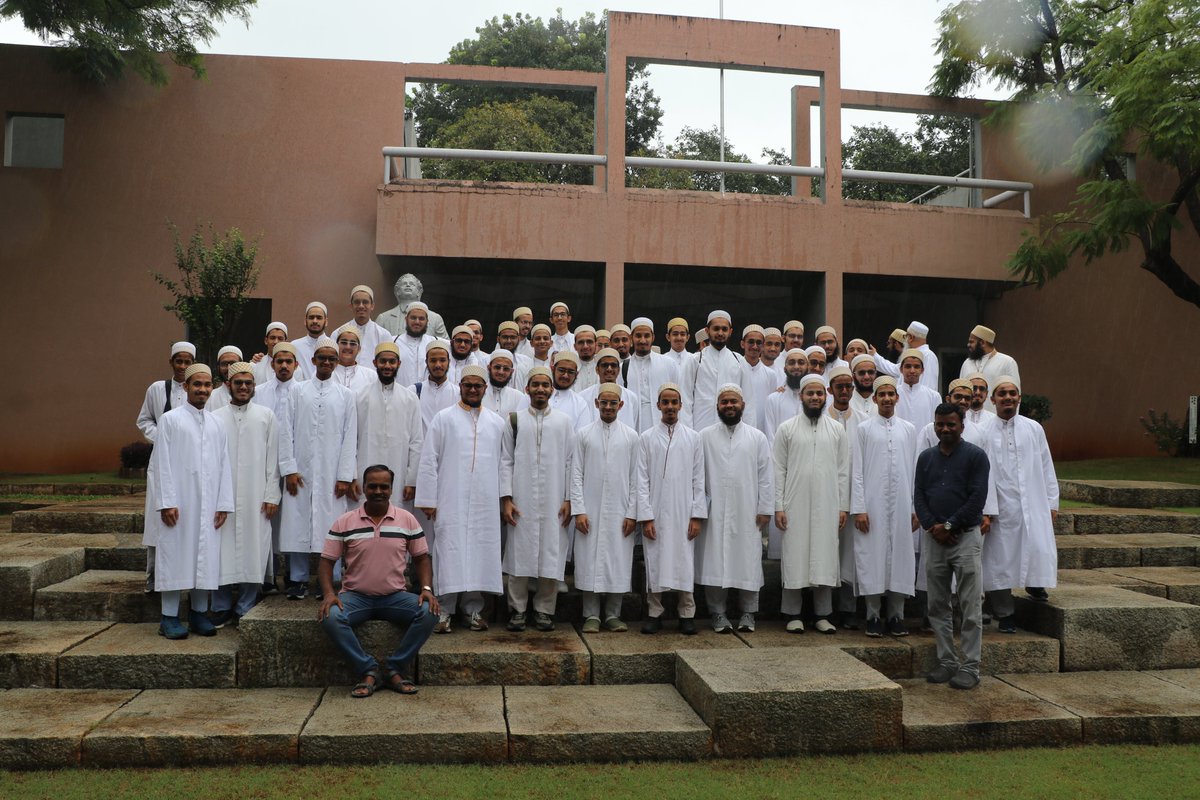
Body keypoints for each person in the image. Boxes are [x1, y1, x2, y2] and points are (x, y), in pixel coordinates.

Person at [317, 465, 438, 697]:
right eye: (372, 486)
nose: (378, 491)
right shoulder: (345, 522)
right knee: (330, 616)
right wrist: (329, 594)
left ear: (391, 489)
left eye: (384, 486)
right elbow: (326, 562)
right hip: (355, 598)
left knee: (429, 611)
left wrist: (426, 589)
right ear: (364, 488)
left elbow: (422, 558)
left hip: (395, 597)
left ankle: (395, 668)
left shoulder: (407, 520)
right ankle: (368, 670)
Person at [145, 363, 234, 639]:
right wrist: (166, 502)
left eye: (207, 385)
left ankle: (199, 614)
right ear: (186, 387)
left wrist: (224, 504)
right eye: (197, 384)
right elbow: (161, 463)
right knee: (175, 556)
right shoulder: (170, 420)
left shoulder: (217, 423)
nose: (202, 390)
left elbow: (224, 464)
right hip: (179, 504)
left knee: (204, 557)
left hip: (209, 505)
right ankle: (169, 617)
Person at [416, 365, 505, 633]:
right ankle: (443, 610)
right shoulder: (443, 419)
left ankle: (473, 609)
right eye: (468, 385)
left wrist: (504, 499)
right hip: (449, 497)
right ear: (461, 387)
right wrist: (429, 499)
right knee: (449, 550)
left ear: (485, 388)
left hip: (485, 502)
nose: (473, 390)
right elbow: (429, 459)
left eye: (478, 386)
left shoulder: (497, 423)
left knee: (480, 551)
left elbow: (505, 464)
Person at [914, 403, 991, 690]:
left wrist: (949, 526)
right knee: (937, 604)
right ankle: (946, 661)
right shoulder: (926, 458)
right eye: (940, 424)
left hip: (965, 537)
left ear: (962, 426)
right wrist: (933, 526)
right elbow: (919, 495)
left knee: (969, 605)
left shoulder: (976, 456)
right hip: (934, 539)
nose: (945, 429)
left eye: (951, 424)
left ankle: (971, 667)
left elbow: (977, 497)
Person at [278, 337, 358, 599]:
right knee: (297, 522)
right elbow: (285, 431)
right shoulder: (297, 391)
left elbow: (350, 437)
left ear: (337, 362)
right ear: (313, 360)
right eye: (321, 358)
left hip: (331, 472)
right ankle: (298, 579)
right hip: (300, 471)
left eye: (331, 359)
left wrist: (345, 476)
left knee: (332, 525)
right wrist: (289, 469)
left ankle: (332, 580)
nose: (326, 362)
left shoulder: (346, 395)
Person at [500, 367, 577, 632]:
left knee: (551, 553)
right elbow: (506, 461)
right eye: (536, 385)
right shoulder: (514, 420)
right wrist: (506, 499)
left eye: (545, 385)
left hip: (555, 499)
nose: (541, 389)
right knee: (518, 553)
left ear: (551, 389)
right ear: (527, 389)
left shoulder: (564, 422)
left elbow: (570, 462)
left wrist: (569, 499)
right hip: (521, 499)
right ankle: (518, 610)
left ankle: (544, 610)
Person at [773, 374, 849, 634]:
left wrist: (843, 507)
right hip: (794, 503)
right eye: (810, 393)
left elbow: (843, 471)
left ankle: (822, 614)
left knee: (824, 556)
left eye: (819, 393)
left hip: (828, 503)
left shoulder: (837, 430)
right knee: (795, 556)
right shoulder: (786, 429)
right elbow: (778, 469)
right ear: (801, 396)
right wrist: (779, 506)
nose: (815, 398)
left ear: (825, 395)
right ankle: (792, 613)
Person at [982, 376, 1059, 633]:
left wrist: (1052, 501)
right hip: (999, 507)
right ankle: (1005, 613)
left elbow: (1046, 465)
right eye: (1002, 393)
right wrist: (986, 509)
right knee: (999, 559)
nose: (1008, 397)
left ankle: (1035, 583)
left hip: (1032, 503)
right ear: (993, 400)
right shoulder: (984, 431)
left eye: (1012, 393)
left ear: (1019, 398)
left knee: (1036, 547)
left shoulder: (1033, 428)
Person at [698, 385, 772, 633]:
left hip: (748, 510)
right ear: (717, 406)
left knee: (748, 560)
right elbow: (697, 477)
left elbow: (766, 477)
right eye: (724, 402)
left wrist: (765, 508)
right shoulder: (704, 436)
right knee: (714, 560)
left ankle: (748, 613)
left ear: (743, 405)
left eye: (734, 401)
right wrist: (699, 509)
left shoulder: (757, 437)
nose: (729, 405)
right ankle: (717, 613)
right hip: (714, 511)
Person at [211, 362, 280, 626]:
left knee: (254, 547)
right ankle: (220, 606)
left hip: (256, 495)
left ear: (254, 386)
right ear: (229, 385)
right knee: (221, 550)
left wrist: (272, 495)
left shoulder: (266, 416)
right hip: (223, 496)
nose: (243, 387)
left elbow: (273, 460)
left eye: (248, 383)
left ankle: (245, 604)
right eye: (238, 383)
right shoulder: (215, 417)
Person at [636, 383, 706, 634]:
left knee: (684, 562)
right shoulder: (645, 438)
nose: (670, 407)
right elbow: (641, 480)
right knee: (655, 561)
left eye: (674, 402)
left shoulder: (694, 438)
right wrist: (646, 517)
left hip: (683, 512)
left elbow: (699, 479)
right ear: (658, 405)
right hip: (655, 512)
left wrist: (696, 516)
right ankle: (654, 613)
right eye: (665, 402)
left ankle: (687, 613)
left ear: (681, 405)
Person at [851, 376, 918, 638]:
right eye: (883, 394)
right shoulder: (864, 429)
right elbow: (857, 471)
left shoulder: (908, 429)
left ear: (897, 398)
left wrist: (914, 508)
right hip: (872, 505)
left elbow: (914, 470)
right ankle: (873, 615)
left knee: (901, 557)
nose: (887, 398)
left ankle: (896, 616)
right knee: (872, 557)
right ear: (875, 398)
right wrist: (859, 508)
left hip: (902, 505)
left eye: (891, 394)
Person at [570, 383, 640, 633]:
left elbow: (636, 478)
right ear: (596, 403)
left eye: (613, 403)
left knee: (617, 561)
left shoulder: (631, 437)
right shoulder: (583, 435)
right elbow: (575, 474)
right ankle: (591, 614)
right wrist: (579, 510)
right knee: (589, 560)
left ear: (621, 405)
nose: (608, 407)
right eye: (604, 402)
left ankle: (613, 614)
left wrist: (632, 513)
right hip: (589, 510)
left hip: (621, 512)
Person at [355, 342, 423, 514]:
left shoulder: (410, 398)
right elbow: (352, 440)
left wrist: (412, 481)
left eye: (392, 362)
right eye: (383, 361)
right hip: (364, 470)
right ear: (375, 363)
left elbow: (416, 441)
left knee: (397, 517)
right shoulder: (360, 396)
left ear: (398, 364)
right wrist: (352, 476)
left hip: (400, 474)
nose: (387, 366)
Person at [680, 310, 745, 431]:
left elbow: (747, 401)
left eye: (724, 329)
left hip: (732, 429)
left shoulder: (739, 361)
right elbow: (685, 399)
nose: (720, 333)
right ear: (707, 331)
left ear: (730, 332)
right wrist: (688, 432)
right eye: (716, 329)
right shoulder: (695, 360)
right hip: (700, 428)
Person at [622, 317, 680, 433]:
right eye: (638, 336)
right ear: (631, 338)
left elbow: (677, 396)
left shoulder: (668, 364)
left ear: (653, 337)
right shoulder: (622, 367)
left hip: (662, 422)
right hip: (633, 423)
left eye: (646, 336)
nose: (643, 340)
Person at [136, 341, 195, 442]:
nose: (182, 366)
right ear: (171, 362)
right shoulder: (156, 389)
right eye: (179, 361)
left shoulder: (198, 392)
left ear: (193, 364)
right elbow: (144, 420)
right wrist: (160, 437)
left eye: (187, 362)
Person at [959, 325, 1020, 412]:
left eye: (971, 342)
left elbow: (1015, 393)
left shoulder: (1007, 362)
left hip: (996, 417)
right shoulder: (967, 363)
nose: (968, 345)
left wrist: (1012, 419)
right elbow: (960, 390)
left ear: (982, 343)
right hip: (968, 417)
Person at [576, 348, 640, 430]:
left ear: (618, 370)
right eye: (605, 365)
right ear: (597, 369)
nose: (609, 369)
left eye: (613, 365)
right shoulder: (583, 397)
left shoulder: (631, 397)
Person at [375, 273, 449, 340]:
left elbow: (445, 344)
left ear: (419, 291)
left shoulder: (435, 318)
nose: (408, 285)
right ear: (397, 291)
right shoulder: (383, 318)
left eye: (412, 284)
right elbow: (375, 343)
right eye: (404, 284)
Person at [763, 348, 809, 449]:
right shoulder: (773, 400)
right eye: (792, 363)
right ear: (784, 368)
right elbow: (770, 438)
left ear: (808, 367)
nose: (796, 367)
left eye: (801, 363)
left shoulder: (813, 400)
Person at [739, 324, 778, 433]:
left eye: (759, 343)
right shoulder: (735, 370)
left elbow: (771, 406)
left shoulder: (770, 374)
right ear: (742, 344)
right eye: (751, 342)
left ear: (763, 345)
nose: (755, 346)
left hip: (763, 430)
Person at [341, 285, 391, 367]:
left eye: (365, 302)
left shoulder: (384, 335)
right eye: (357, 302)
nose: (361, 306)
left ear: (372, 306)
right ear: (351, 306)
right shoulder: (339, 333)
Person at [414, 341, 458, 432]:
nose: (438, 365)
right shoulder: (414, 391)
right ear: (426, 362)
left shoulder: (458, 393)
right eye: (433, 360)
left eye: (442, 360)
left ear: (449, 362)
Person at [895, 349, 941, 430]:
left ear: (922, 370)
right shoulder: (893, 394)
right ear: (901, 369)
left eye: (916, 367)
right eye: (908, 366)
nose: (912, 371)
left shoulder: (933, 396)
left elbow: (937, 424)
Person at [548, 350, 589, 427]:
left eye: (570, 372)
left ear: (576, 374)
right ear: (553, 369)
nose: (565, 375)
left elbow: (581, 433)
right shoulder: (537, 395)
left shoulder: (580, 403)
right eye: (561, 370)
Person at [482, 350, 530, 415]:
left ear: (511, 372)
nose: (501, 372)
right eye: (497, 367)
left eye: (506, 369)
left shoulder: (519, 397)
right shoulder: (479, 394)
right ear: (489, 368)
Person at [331, 325, 374, 394]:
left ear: (359, 349)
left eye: (353, 344)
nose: (348, 347)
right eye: (344, 343)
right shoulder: (326, 373)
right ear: (336, 346)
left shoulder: (370, 376)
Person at [291, 301, 328, 381]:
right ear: (305, 321)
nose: (315, 321)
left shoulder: (333, 345)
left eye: (319, 318)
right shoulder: (295, 346)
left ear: (326, 321)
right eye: (311, 317)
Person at [905, 320, 940, 393]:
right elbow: (893, 369)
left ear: (911, 337)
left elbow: (928, 387)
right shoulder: (912, 355)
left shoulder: (928, 356)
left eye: (906, 336)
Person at [207, 345, 243, 411]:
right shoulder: (210, 397)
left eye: (233, 363)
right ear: (218, 367)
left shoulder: (252, 395)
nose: (229, 368)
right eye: (224, 364)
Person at [849, 354, 878, 420]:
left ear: (875, 374)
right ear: (853, 376)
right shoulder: (847, 400)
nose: (866, 377)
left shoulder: (883, 398)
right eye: (861, 373)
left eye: (871, 372)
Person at [572, 325, 600, 391]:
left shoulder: (603, 367)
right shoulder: (570, 369)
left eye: (589, 342)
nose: (585, 346)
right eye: (581, 342)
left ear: (596, 345)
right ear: (575, 346)